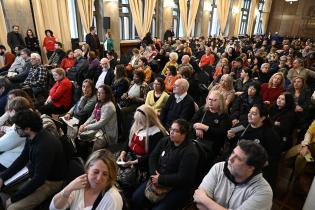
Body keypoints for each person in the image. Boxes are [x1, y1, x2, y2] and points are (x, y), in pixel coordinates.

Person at [0, 110, 66, 210]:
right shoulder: (32, 135)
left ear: (27, 129)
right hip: (35, 174)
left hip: (50, 182)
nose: (15, 131)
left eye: (17, 129)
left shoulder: (44, 146)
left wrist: (13, 199)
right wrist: (2, 177)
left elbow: (39, 180)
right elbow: (22, 158)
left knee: (12, 208)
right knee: (3, 186)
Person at [132, 119, 199, 210]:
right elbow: (153, 157)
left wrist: (161, 179)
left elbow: (183, 177)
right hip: (157, 178)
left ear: (184, 134)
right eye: (171, 129)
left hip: (177, 186)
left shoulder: (190, 152)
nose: (171, 132)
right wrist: (153, 174)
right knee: (135, 198)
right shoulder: (165, 141)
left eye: (175, 131)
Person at [194, 140, 272, 210]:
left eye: (238, 158)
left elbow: (201, 199)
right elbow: (199, 204)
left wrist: (204, 199)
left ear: (251, 167)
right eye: (233, 153)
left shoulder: (263, 191)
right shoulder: (219, 167)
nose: (230, 159)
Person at [227, 104, 281, 190]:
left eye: (254, 113)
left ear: (262, 118)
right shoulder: (244, 125)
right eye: (249, 112)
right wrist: (230, 136)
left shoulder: (270, 134)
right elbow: (232, 136)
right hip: (237, 158)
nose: (249, 115)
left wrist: (257, 165)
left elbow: (274, 157)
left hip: (254, 166)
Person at [50, 149, 123, 210]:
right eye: (96, 172)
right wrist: (69, 189)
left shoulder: (113, 199)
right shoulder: (78, 185)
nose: (98, 178)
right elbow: (53, 208)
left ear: (110, 176)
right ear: (87, 169)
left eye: (105, 174)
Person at [117, 105, 167, 175]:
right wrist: (123, 153)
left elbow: (151, 155)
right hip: (130, 156)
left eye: (140, 121)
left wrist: (133, 162)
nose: (137, 123)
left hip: (142, 163)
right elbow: (129, 139)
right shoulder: (138, 124)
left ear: (149, 119)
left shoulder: (157, 134)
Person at [191, 90, 231, 165]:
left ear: (220, 102)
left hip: (212, 146)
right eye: (209, 99)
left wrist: (204, 127)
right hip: (196, 140)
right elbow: (192, 122)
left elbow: (221, 133)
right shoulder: (203, 110)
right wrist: (197, 127)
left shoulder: (224, 116)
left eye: (214, 100)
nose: (210, 102)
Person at [0, 97, 32, 172]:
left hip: (8, 163)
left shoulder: (19, 129)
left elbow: (1, 146)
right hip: (16, 157)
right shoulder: (27, 120)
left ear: (13, 111)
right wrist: (4, 128)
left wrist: (7, 114)